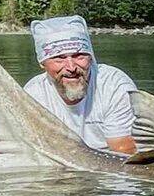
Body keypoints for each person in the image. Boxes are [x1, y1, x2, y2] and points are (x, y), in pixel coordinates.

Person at [23, 15, 136, 154]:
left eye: (79, 56)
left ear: (91, 57)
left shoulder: (113, 85)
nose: (71, 67)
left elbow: (125, 152)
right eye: (59, 58)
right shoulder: (33, 94)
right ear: (42, 63)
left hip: (111, 167)